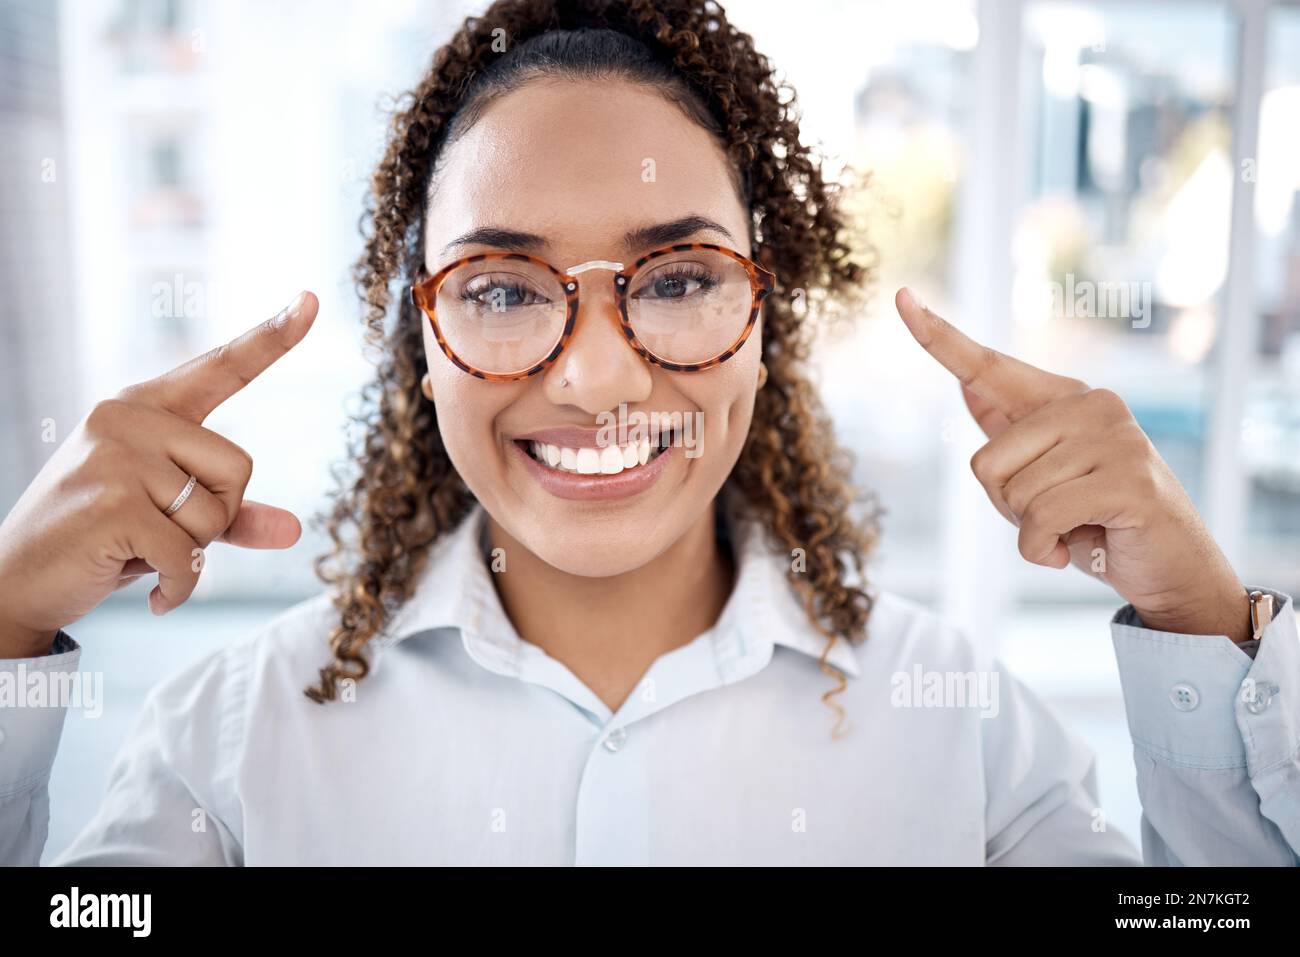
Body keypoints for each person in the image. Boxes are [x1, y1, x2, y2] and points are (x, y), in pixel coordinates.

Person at [0, 0, 1295, 866]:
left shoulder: (962, 730)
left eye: (675, 279)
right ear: (422, 344)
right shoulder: (227, 743)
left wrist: (1202, 619)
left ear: (763, 314)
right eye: (504, 290)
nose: (595, 376)